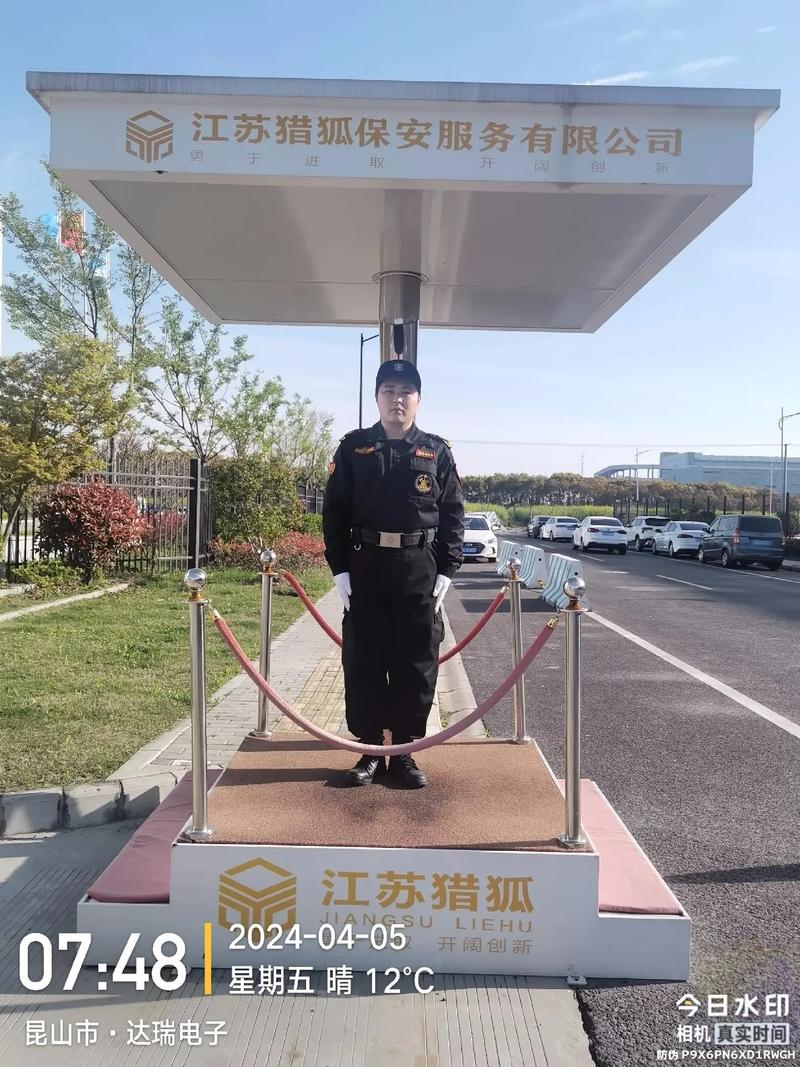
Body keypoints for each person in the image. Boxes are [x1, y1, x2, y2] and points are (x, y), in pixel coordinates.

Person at [322, 357, 465, 788]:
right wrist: (339, 568)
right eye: (389, 391)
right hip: (365, 565)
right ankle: (369, 749)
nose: (397, 400)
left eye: (405, 393)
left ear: (418, 400)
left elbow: (453, 513)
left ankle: (402, 751)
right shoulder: (354, 448)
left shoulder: (436, 452)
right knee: (364, 658)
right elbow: (334, 511)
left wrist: (447, 568)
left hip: (418, 567)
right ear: (377, 397)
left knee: (415, 659)